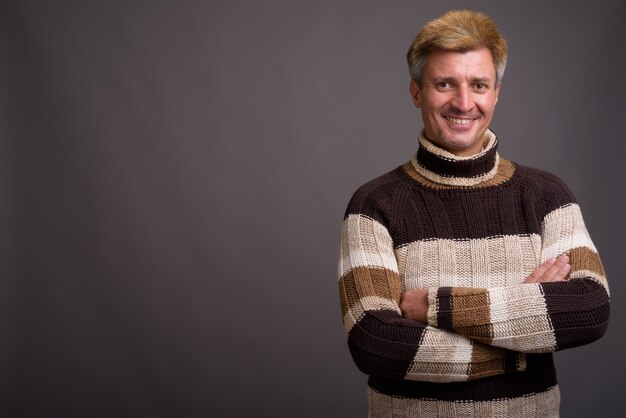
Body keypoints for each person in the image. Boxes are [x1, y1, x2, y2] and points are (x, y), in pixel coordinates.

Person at [338, 9, 609, 417]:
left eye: (479, 85)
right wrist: (519, 337)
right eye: (444, 83)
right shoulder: (374, 205)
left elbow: (589, 308)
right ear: (416, 92)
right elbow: (376, 343)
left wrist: (435, 307)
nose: (463, 103)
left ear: (497, 92)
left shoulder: (547, 195)